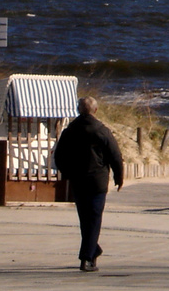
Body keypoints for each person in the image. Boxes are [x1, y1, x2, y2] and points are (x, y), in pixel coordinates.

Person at [52, 96, 123, 272]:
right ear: (95, 110)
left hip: (78, 180)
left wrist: (67, 173)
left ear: (78, 110)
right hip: (97, 181)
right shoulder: (102, 131)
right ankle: (87, 257)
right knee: (94, 218)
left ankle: (93, 249)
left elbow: (59, 156)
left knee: (85, 219)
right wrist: (119, 177)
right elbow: (115, 155)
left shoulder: (70, 131)